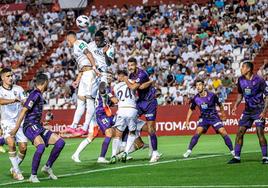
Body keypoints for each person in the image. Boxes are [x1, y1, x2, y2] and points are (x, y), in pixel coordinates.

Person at [11, 74, 65, 183]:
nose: (48, 84)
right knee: (40, 147)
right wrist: (16, 127)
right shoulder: (35, 94)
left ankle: (47, 167)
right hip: (29, 126)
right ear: (45, 82)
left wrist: (41, 123)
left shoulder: (38, 95)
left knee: (60, 142)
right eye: (48, 82)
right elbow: (24, 111)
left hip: (37, 125)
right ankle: (33, 175)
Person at [228, 61, 268, 164]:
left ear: (248, 69)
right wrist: (235, 106)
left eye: (242, 67)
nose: (241, 69)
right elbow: (240, 94)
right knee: (240, 132)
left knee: (259, 132)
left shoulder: (259, 80)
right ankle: (237, 157)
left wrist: (264, 111)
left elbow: (267, 96)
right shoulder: (240, 80)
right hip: (247, 111)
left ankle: (265, 157)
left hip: (259, 110)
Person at [183, 79, 234, 158]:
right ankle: (188, 151)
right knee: (198, 131)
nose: (198, 87)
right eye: (196, 85)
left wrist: (223, 115)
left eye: (199, 85)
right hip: (204, 118)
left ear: (203, 86)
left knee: (223, 131)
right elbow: (191, 109)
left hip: (214, 117)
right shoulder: (195, 98)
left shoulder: (212, 95)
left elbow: (220, 104)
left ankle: (233, 151)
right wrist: (187, 121)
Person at [124, 57, 161, 163]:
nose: (130, 67)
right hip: (140, 102)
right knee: (129, 120)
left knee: (150, 128)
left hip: (149, 102)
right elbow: (138, 87)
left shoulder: (142, 73)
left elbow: (133, 88)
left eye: (132, 65)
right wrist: (147, 83)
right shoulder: (132, 75)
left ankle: (155, 152)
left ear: (136, 65)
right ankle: (137, 144)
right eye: (129, 65)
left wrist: (126, 80)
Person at [65, 31, 100, 136]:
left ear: (70, 38)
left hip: (90, 73)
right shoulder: (75, 49)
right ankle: (73, 125)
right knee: (80, 101)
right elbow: (81, 66)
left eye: (67, 40)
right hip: (84, 74)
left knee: (89, 100)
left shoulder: (79, 43)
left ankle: (85, 126)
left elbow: (88, 53)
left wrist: (94, 67)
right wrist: (77, 79)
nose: (67, 43)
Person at [0, 68, 28, 180]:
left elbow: (25, 101)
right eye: (8, 76)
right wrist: (14, 100)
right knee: (11, 144)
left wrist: (25, 101)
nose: (11, 78)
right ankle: (17, 172)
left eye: (11, 75)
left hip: (19, 122)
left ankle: (14, 167)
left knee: (23, 148)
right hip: (6, 122)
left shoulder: (19, 89)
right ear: (2, 78)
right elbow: (0, 101)